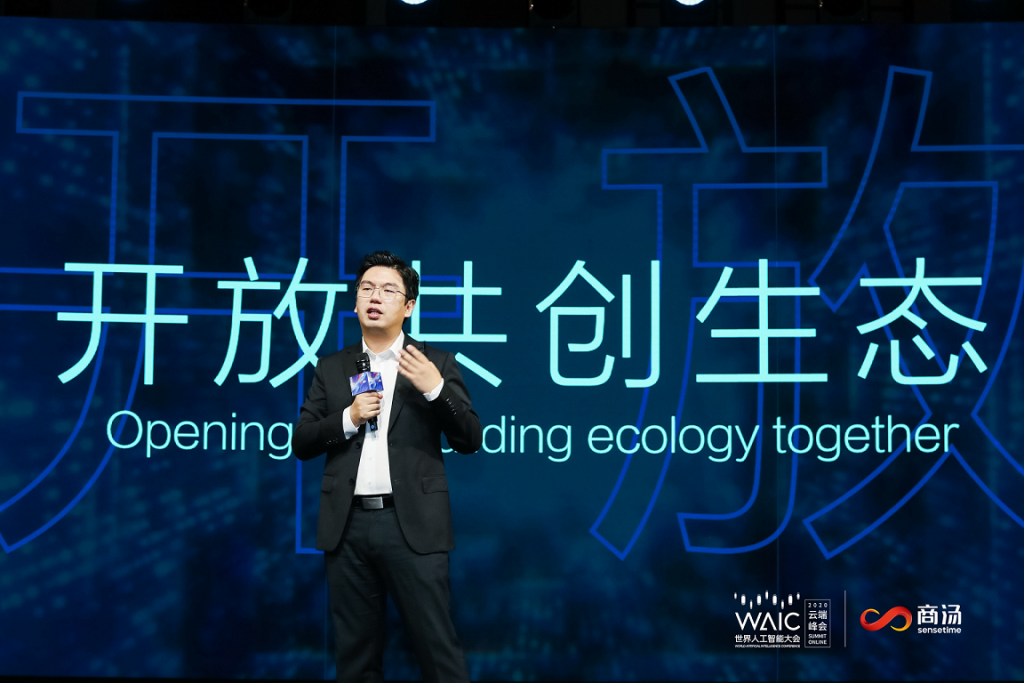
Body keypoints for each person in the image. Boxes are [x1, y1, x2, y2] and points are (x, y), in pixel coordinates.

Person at [292, 251, 482, 683]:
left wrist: (436, 390)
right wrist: (349, 417)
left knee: (438, 652)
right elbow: (302, 442)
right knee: (355, 659)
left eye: (388, 290)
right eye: (367, 289)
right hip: (348, 527)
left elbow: (470, 439)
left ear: (409, 306)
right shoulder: (332, 367)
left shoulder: (435, 363)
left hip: (412, 525)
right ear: (356, 301)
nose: (375, 297)